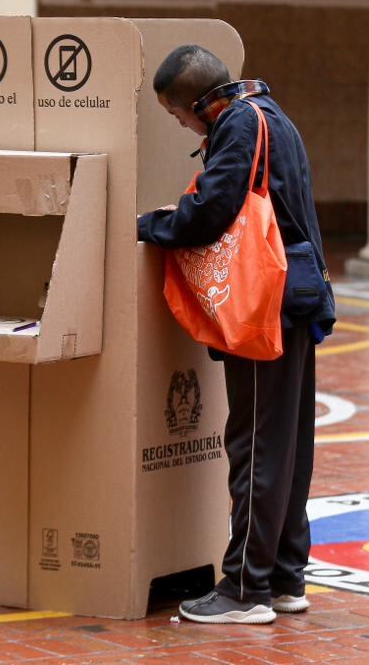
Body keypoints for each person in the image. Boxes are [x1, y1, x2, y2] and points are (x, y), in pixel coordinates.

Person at [137, 45, 336, 625]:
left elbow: (211, 211)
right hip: (294, 299)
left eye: (178, 117)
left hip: (260, 308)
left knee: (255, 448)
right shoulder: (272, 115)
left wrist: (148, 226)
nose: (181, 126)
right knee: (288, 446)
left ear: (200, 103)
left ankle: (243, 591)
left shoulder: (240, 125)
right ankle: (283, 579)